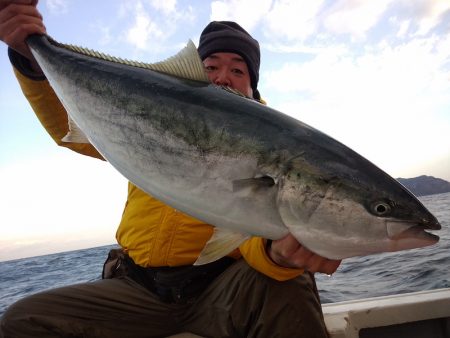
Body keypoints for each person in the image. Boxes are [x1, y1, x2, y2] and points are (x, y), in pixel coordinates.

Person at [0, 1, 341, 337]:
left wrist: (276, 255)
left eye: (238, 70)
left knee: (290, 279)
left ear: (252, 86)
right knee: (23, 320)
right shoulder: (145, 115)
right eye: (211, 66)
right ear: (193, 72)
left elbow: (258, 233)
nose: (223, 76)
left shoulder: (280, 149)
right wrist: (30, 56)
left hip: (220, 293)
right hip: (137, 291)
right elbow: (68, 130)